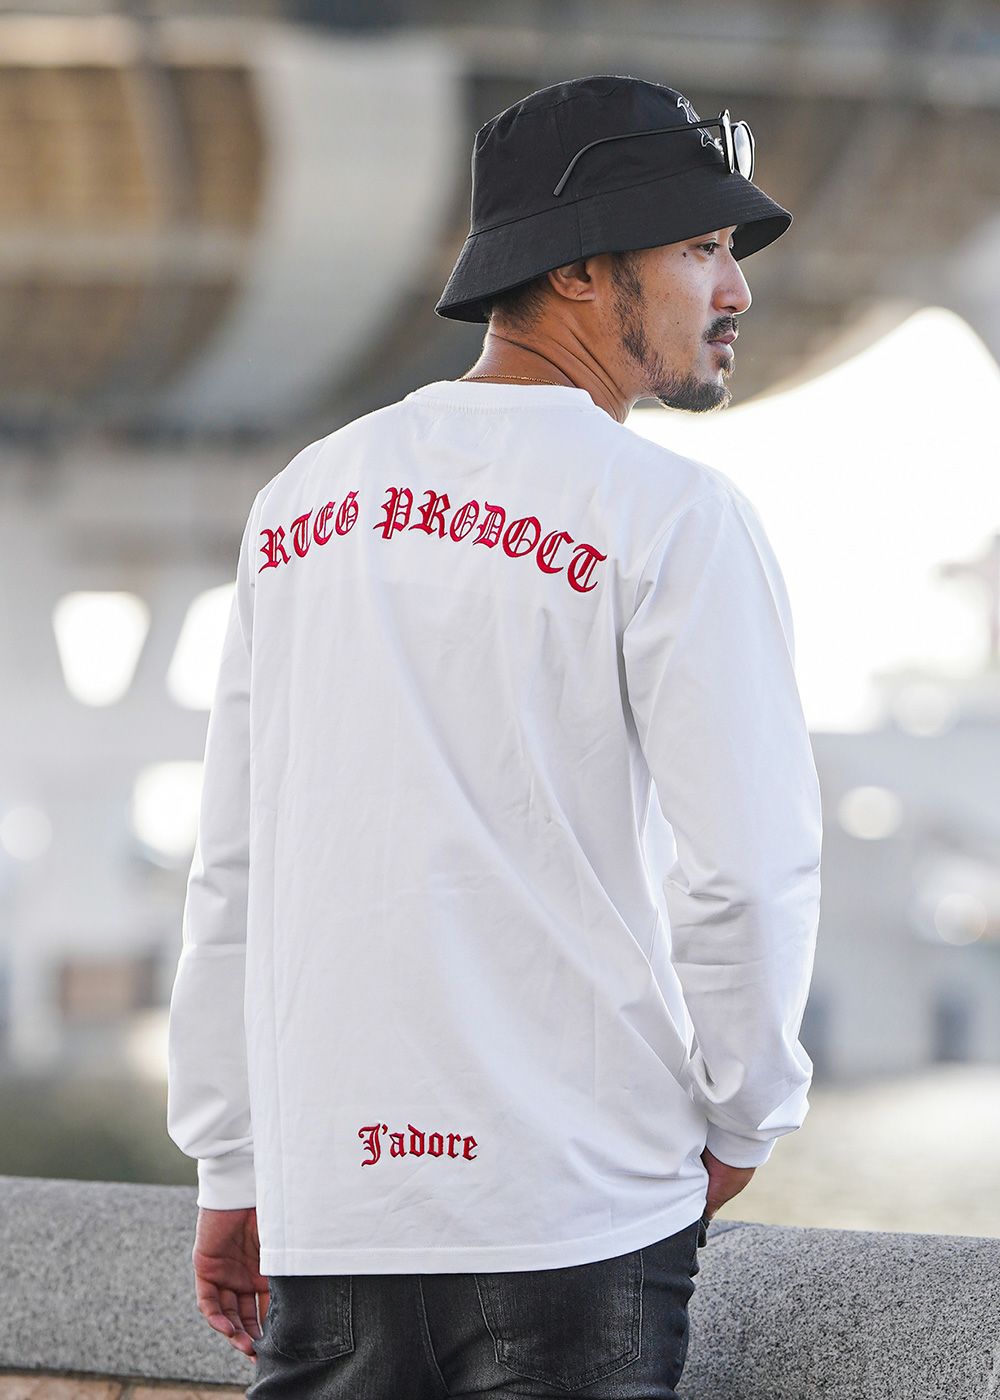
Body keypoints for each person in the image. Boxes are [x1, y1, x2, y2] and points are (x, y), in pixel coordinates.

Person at [165, 73, 823, 1399]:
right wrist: (747, 1115)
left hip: (337, 1209)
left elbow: (233, 866)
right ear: (578, 272)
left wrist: (235, 1162)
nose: (736, 290)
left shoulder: (302, 503)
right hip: (575, 1207)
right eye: (700, 248)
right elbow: (748, 872)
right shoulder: (671, 517)